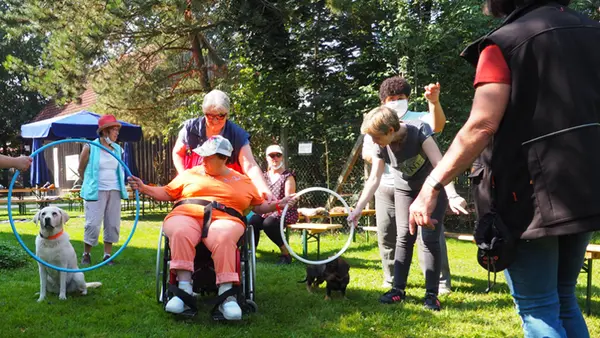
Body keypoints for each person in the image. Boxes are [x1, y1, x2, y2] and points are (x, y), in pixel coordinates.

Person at [408, 0, 600, 336]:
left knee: (539, 307)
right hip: (586, 189)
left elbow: (481, 124)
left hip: (528, 198)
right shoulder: (592, 31)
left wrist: (431, 185)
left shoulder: (504, 43)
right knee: (564, 299)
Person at [128, 136, 296, 320]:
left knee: (224, 236)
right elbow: (167, 192)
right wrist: (144, 188)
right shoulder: (190, 174)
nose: (203, 159)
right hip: (185, 214)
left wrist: (279, 204)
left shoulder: (242, 180)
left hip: (225, 218)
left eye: (208, 157)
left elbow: (259, 206)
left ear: (224, 158)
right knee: (180, 231)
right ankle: (183, 291)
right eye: (202, 155)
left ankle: (227, 296)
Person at [348, 106, 468, 311]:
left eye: (377, 137)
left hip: (431, 190)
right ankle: (398, 290)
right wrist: (358, 208)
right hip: (403, 190)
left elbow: (441, 164)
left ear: (390, 131)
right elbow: (374, 178)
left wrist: (452, 195)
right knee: (404, 236)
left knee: (429, 237)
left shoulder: (419, 131)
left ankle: (432, 295)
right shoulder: (381, 145)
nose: (374, 142)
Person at [362, 76, 452, 294]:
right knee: (397, 236)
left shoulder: (418, 123)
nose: (396, 101)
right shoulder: (375, 126)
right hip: (391, 187)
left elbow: (440, 160)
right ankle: (395, 285)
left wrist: (434, 102)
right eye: (391, 98)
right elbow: (371, 162)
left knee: (429, 236)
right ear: (383, 102)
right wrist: (358, 207)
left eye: (400, 97)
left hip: (425, 188)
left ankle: (436, 288)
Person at [172, 89, 273, 201]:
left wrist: (264, 189)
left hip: (225, 187)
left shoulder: (237, 134)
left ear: (227, 114)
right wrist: (183, 175)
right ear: (204, 113)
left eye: (220, 116)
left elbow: (250, 165)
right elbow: (178, 153)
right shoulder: (190, 128)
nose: (215, 121)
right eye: (210, 116)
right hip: (195, 184)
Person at [78, 115, 129, 266]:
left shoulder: (118, 149)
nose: (117, 133)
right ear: (105, 131)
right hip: (96, 191)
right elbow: (81, 169)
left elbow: (119, 170)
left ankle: (107, 255)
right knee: (93, 224)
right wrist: (89, 183)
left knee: (112, 223)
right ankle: (86, 254)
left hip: (114, 189)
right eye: (114, 130)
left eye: (117, 130)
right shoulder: (90, 147)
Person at [249, 144, 298, 265]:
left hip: (284, 211)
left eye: (278, 155)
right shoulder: (263, 177)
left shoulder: (288, 176)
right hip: (266, 210)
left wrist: (287, 201)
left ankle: (286, 254)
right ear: (266, 157)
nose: (275, 158)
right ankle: (251, 254)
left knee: (269, 223)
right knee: (253, 221)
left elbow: (288, 201)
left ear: (282, 157)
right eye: (272, 155)